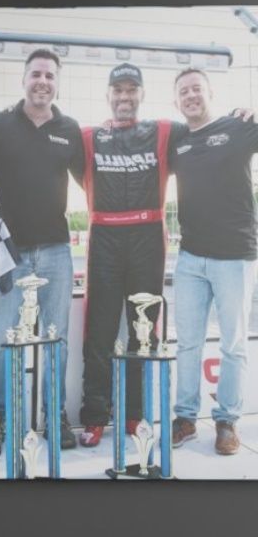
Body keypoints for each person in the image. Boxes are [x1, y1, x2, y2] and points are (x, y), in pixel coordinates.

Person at [0, 49, 83, 458]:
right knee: (2, 339)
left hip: (56, 248)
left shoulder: (69, 128)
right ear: (24, 79)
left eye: (50, 76)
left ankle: (54, 414)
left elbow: (94, 181)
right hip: (9, 250)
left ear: (57, 83)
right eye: (36, 74)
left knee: (55, 339)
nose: (43, 81)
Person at [75, 64, 174, 447]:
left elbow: (203, 132)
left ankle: (135, 414)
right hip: (104, 239)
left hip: (148, 239)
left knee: (142, 333)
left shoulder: (163, 131)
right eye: (118, 90)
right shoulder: (87, 137)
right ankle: (96, 415)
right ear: (108, 95)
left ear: (142, 94)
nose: (124, 97)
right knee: (98, 332)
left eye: (132, 90)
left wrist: (240, 116)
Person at [169, 67, 258, 456]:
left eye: (196, 89)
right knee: (187, 343)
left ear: (210, 93)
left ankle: (226, 421)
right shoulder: (177, 142)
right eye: (184, 91)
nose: (191, 95)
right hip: (190, 258)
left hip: (235, 256)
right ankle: (186, 417)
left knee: (233, 345)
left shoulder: (238, 127)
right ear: (177, 100)